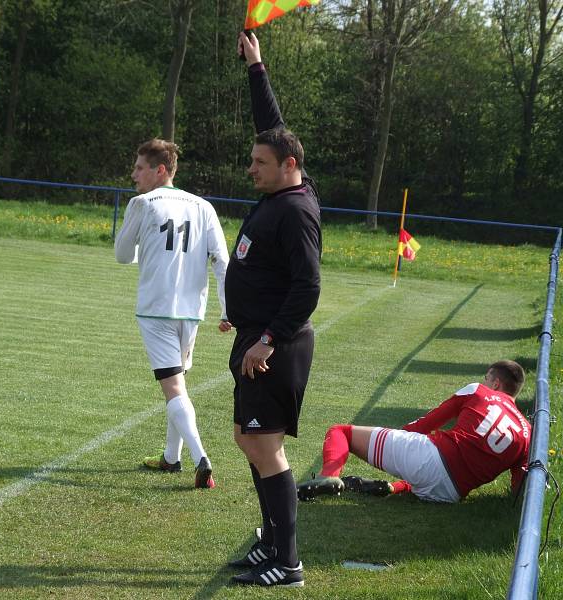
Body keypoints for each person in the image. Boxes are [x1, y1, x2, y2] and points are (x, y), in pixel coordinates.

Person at [222, 32, 322, 588]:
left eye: (259, 162)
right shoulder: (282, 191)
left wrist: (267, 340)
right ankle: (268, 545)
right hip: (254, 336)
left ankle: (288, 562)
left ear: (288, 166)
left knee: (264, 444)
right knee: (248, 439)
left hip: (274, 344)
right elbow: (273, 127)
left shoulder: (296, 213)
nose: (251, 167)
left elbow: (308, 286)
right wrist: (257, 69)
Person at [115, 138, 229, 489]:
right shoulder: (203, 206)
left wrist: (143, 253)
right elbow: (223, 262)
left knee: (174, 387)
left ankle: (201, 458)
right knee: (178, 381)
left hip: (155, 310)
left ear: (160, 170)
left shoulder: (142, 203)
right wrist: (229, 310)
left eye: (139, 167)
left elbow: (121, 254)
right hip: (191, 311)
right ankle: (170, 457)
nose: (133, 175)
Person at [297, 360, 531, 504]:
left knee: (341, 432)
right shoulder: (527, 432)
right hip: (452, 493)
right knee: (422, 477)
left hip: (429, 458)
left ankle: (328, 476)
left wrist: (398, 437)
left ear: (496, 383)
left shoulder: (478, 391)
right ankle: (392, 487)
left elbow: (426, 424)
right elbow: (517, 487)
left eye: (487, 377)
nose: (485, 381)